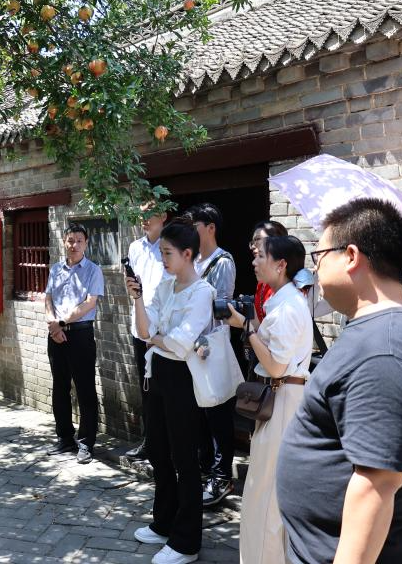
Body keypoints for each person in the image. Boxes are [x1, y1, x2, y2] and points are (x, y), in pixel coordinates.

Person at [277, 198, 402, 564]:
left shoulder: (385, 349)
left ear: (351, 256)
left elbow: (377, 484)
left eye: (318, 256)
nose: (315, 269)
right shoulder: (386, 333)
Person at [128, 218, 214, 564]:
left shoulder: (202, 292)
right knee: (158, 451)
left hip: (184, 378)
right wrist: (137, 299)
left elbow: (181, 342)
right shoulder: (165, 286)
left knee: (184, 459)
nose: (162, 259)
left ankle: (186, 542)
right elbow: (144, 330)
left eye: (167, 253)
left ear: (187, 254)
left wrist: (158, 338)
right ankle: (163, 522)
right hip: (158, 372)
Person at [225, 235, 312, 564]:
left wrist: (246, 328)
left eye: (260, 256)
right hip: (282, 397)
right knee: (267, 489)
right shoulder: (284, 302)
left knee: (265, 494)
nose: (254, 261)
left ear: (281, 264)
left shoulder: (288, 307)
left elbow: (275, 365)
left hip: (283, 396)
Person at [187, 203, 238, 508]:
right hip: (190, 347)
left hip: (211, 346)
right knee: (199, 414)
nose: (191, 231)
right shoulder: (191, 260)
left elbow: (220, 308)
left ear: (210, 228)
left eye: (195, 225)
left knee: (218, 413)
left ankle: (222, 476)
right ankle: (205, 469)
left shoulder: (223, 262)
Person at [45, 223, 105, 464]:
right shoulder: (56, 269)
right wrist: (52, 324)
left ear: (86, 243)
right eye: (71, 240)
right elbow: (48, 298)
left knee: (85, 388)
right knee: (59, 387)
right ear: (64, 242)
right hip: (56, 335)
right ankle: (64, 438)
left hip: (80, 335)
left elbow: (90, 303)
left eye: (79, 241)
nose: (74, 245)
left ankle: (87, 443)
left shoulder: (93, 270)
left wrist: (61, 322)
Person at [124, 202, 171, 461]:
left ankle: (168, 446)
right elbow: (131, 285)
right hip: (139, 328)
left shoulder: (171, 246)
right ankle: (150, 442)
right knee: (145, 389)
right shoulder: (135, 247)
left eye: (149, 214)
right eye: (140, 214)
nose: (143, 219)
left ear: (163, 216)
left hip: (163, 333)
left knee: (165, 390)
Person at [249, 221, 289, 325]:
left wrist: (244, 323)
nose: (253, 246)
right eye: (252, 242)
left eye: (257, 239)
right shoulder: (262, 280)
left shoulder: (289, 283)